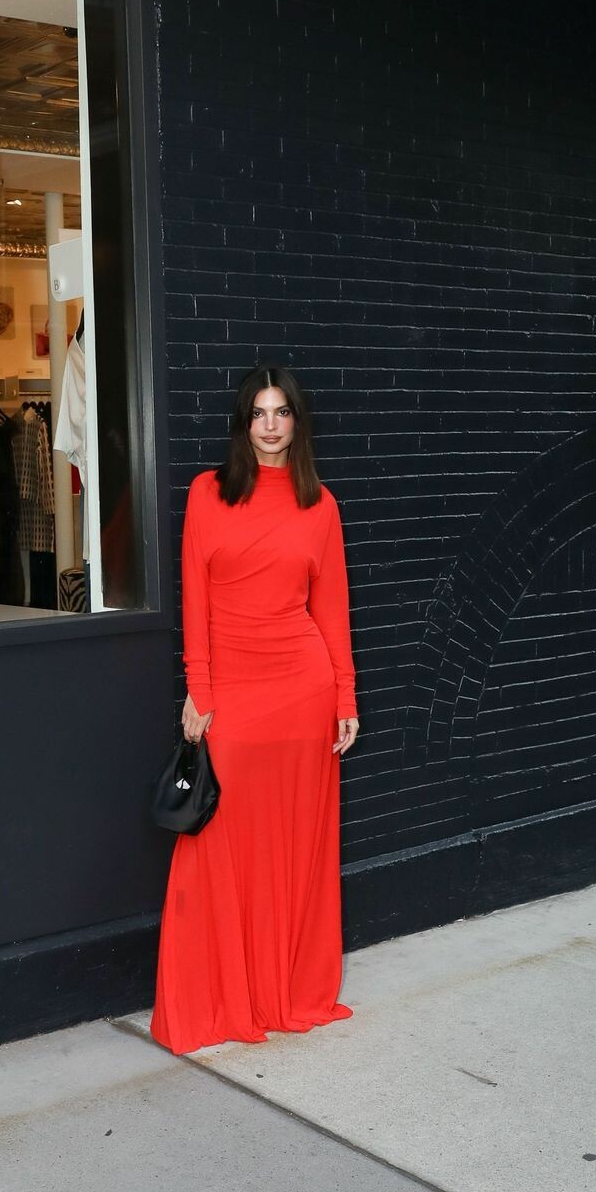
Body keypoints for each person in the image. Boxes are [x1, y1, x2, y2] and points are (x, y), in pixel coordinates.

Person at [149, 364, 360, 1054]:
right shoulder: (207, 493)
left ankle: (285, 991)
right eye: (259, 413)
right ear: (244, 423)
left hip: (303, 693)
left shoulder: (319, 505)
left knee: (296, 849)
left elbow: (332, 609)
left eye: (282, 412)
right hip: (234, 694)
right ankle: (218, 998)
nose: (271, 425)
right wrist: (200, 689)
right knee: (217, 843)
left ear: (297, 422)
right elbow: (195, 597)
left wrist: (345, 696)